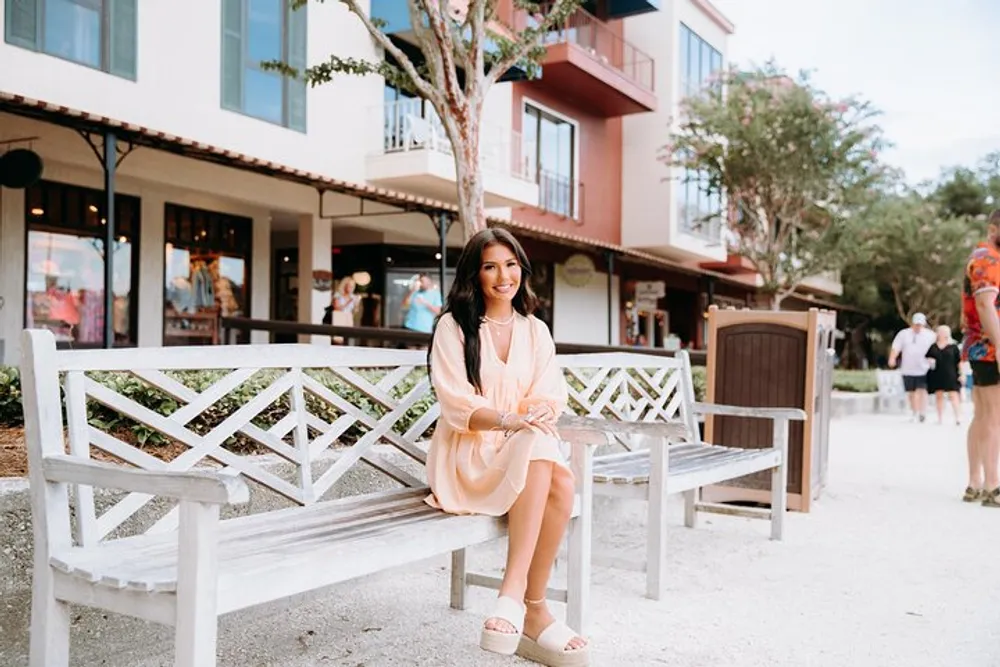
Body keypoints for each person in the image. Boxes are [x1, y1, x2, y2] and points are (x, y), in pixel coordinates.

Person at [425, 228, 590, 665]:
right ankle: (521, 598)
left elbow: (549, 394)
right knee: (547, 461)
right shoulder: (454, 327)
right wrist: (509, 420)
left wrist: (530, 418)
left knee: (560, 480)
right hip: (469, 458)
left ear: (522, 269)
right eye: (490, 266)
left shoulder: (535, 330)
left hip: (522, 452)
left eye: (511, 264)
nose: (504, 276)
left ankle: (526, 606)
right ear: (474, 275)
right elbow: (456, 402)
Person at [960, 209, 1000, 507]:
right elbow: (985, 306)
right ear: (992, 229)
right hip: (989, 347)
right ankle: (992, 485)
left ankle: (976, 482)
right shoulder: (988, 259)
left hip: (982, 346)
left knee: (984, 415)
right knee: (993, 416)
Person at [888, 313, 936, 422]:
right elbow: (896, 347)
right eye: (916, 324)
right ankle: (914, 411)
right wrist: (892, 358)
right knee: (911, 392)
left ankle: (922, 412)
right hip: (908, 368)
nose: (918, 327)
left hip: (924, 368)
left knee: (922, 391)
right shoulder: (904, 334)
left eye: (920, 325)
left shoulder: (930, 335)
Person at [924, 325, 962, 425]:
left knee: (953, 395)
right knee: (939, 395)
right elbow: (927, 358)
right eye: (942, 332)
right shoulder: (933, 346)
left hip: (951, 374)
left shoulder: (953, 347)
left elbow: (959, 361)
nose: (944, 334)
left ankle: (957, 417)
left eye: (946, 332)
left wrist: (962, 374)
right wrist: (929, 361)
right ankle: (940, 418)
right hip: (937, 374)